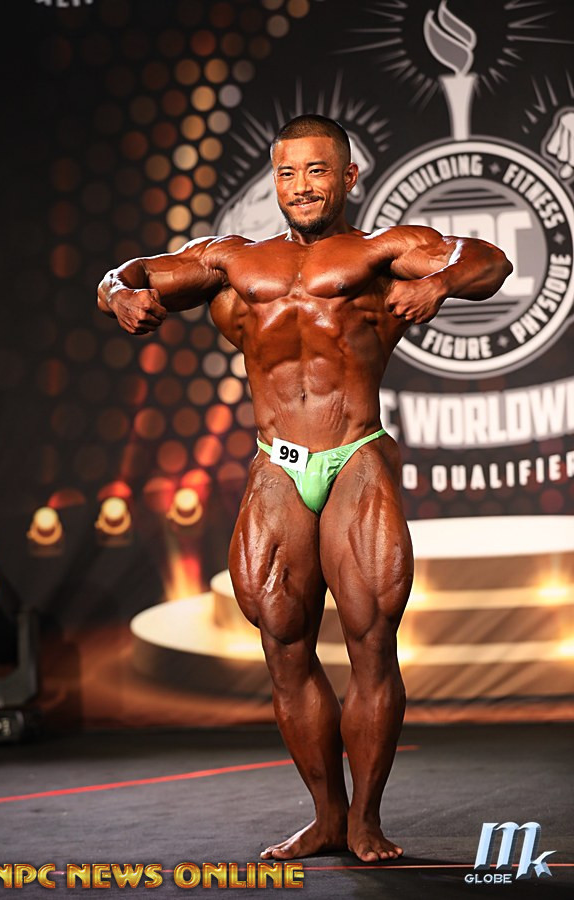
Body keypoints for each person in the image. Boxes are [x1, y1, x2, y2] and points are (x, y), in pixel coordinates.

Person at [97, 115, 512, 863]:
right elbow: (132, 273)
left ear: (347, 176)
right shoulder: (234, 259)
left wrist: (441, 283)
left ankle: (367, 821)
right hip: (276, 463)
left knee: (370, 641)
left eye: (317, 171)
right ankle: (326, 816)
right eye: (287, 173)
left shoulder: (384, 251)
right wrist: (116, 295)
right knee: (283, 645)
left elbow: (491, 260)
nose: (301, 187)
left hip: (355, 454)